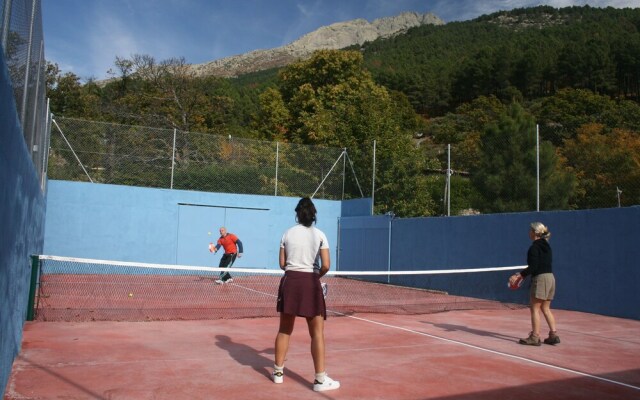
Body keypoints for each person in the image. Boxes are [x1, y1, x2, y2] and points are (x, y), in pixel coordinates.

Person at [272, 197, 340, 392]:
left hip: (290, 282)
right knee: (317, 333)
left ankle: (278, 373)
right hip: (310, 282)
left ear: (297, 214)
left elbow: (282, 264)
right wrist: (315, 276)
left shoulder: (287, 233)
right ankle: (319, 380)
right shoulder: (320, 235)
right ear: (314, 214)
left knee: (284, 329)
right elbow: (326, 265)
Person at [510, 222, 560, 346]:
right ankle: (553, 335)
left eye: (530, 230)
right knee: (546, 308)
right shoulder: (547, 246)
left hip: (541, 279)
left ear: (534, 233)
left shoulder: (534, 247)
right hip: (551, 278)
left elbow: (533, 267)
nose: (528, 232)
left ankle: (535, 337)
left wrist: (520, 275)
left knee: (535, 309)